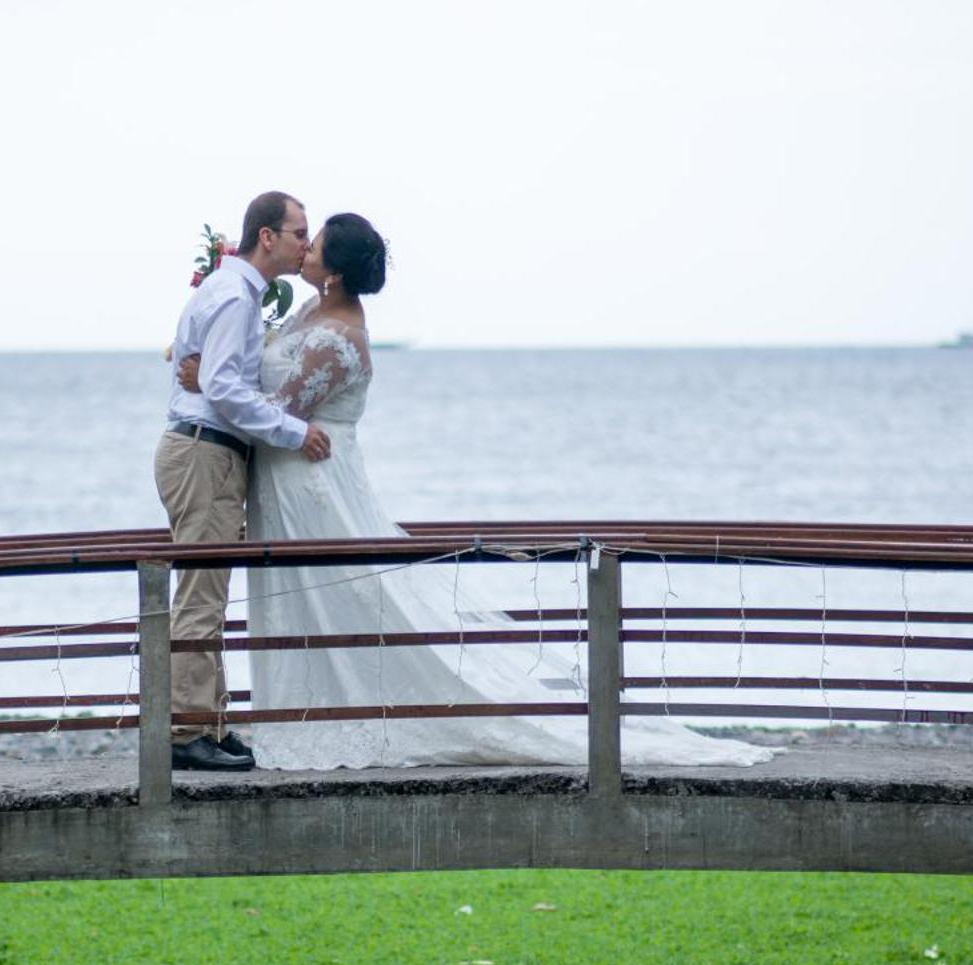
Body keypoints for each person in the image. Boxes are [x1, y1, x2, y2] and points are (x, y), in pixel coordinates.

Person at [179, 212, 766, 771]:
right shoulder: (312, 306)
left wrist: (206, 379)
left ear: (333, 270)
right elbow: (256, 381)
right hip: (288, 476)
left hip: (313, 480)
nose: (305, 248)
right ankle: (297, 713)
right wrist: (215, 368)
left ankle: (362, 712)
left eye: (317, 241)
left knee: (342, 597)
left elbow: (283, 411)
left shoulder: (339, 335)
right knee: (307, 597)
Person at [155, 190, 332, 773]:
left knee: (208, 594)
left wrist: (203, 376)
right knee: (201, 597)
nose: (306, 243)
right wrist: (293, 431)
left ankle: (209, 722)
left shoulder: (233, 292)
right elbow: (226, 390)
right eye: (299, 232)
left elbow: (211, 375)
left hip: (207, 452)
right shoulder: (234, 296)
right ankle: (185, 733)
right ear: (267, 237)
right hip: (205, 453)